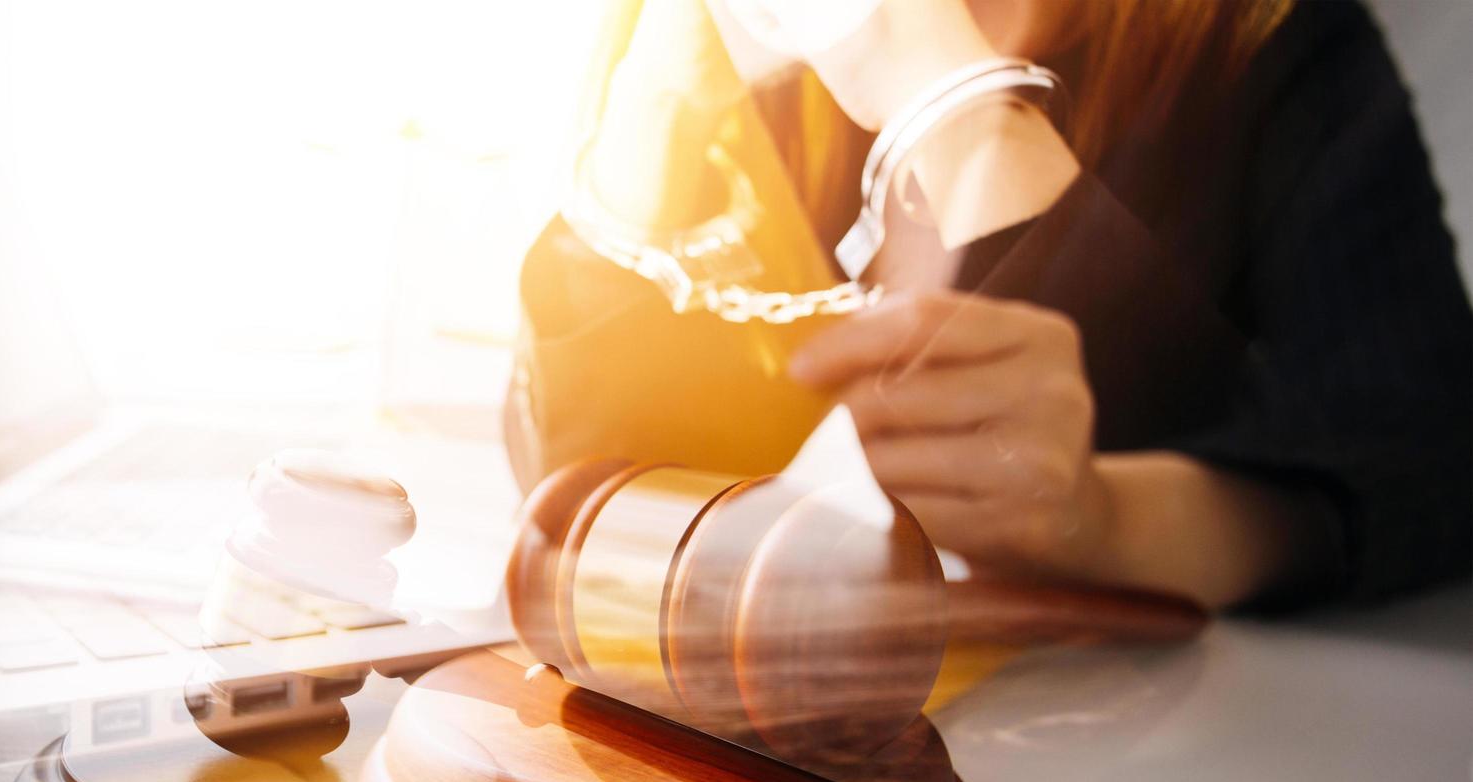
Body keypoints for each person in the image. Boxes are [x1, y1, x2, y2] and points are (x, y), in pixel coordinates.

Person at [570, 0, 1473, 609]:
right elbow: (585, 492)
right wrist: (661, 104)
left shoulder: (1273, 40)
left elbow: (1423, 474)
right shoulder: (740, 39)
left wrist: (949, 96)